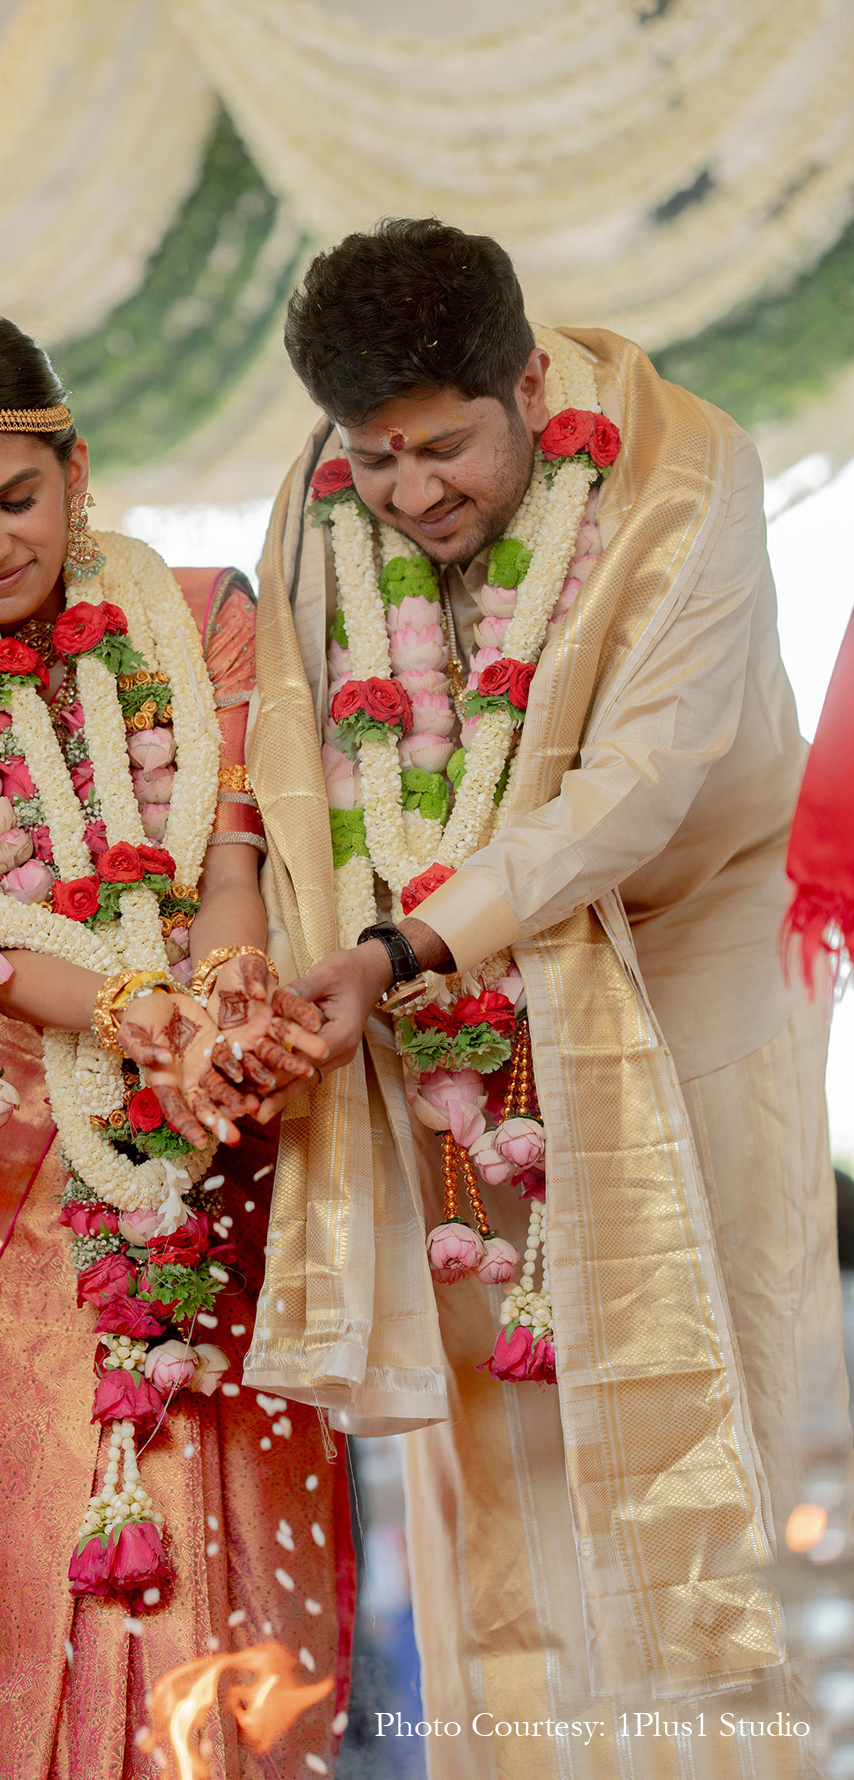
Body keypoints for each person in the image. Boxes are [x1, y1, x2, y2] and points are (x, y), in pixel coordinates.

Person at [244, 218, 847, 1775]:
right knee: (501, 1410)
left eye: (444, 448)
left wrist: (399, 947)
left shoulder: (683, 472)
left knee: (701, 1361)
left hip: (687, 931)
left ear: (525, 377)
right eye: (375, 459)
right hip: (451, 987)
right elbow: (300, 765)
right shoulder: (321, 511)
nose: (411, 493)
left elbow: (636, 791)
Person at [0, 313, 354, 1777]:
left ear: (77, 471)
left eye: (15, 500)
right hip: (14, 1163)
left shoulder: (199, 616)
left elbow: (231, 836)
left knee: (224, 1499)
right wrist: (138, 1017)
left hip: (208, 1126)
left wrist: (223, 995)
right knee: (31, 1511)